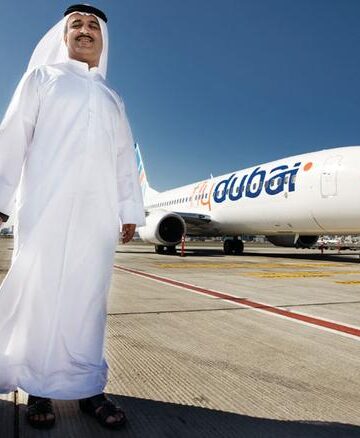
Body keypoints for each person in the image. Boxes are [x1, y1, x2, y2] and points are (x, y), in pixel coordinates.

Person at [0, 4, 145, 430]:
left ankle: (86, 388)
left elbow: (123, 160)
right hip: (45, 207)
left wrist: (128, 210)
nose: (85, 31)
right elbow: (12, 137)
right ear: (63, 37)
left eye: (93, 27)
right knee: (42, 294)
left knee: (88, 300)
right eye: (76, 25)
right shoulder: (42, 79)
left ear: (103, 41)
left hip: (96, 216)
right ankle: (38, 388)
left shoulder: (111, 98)